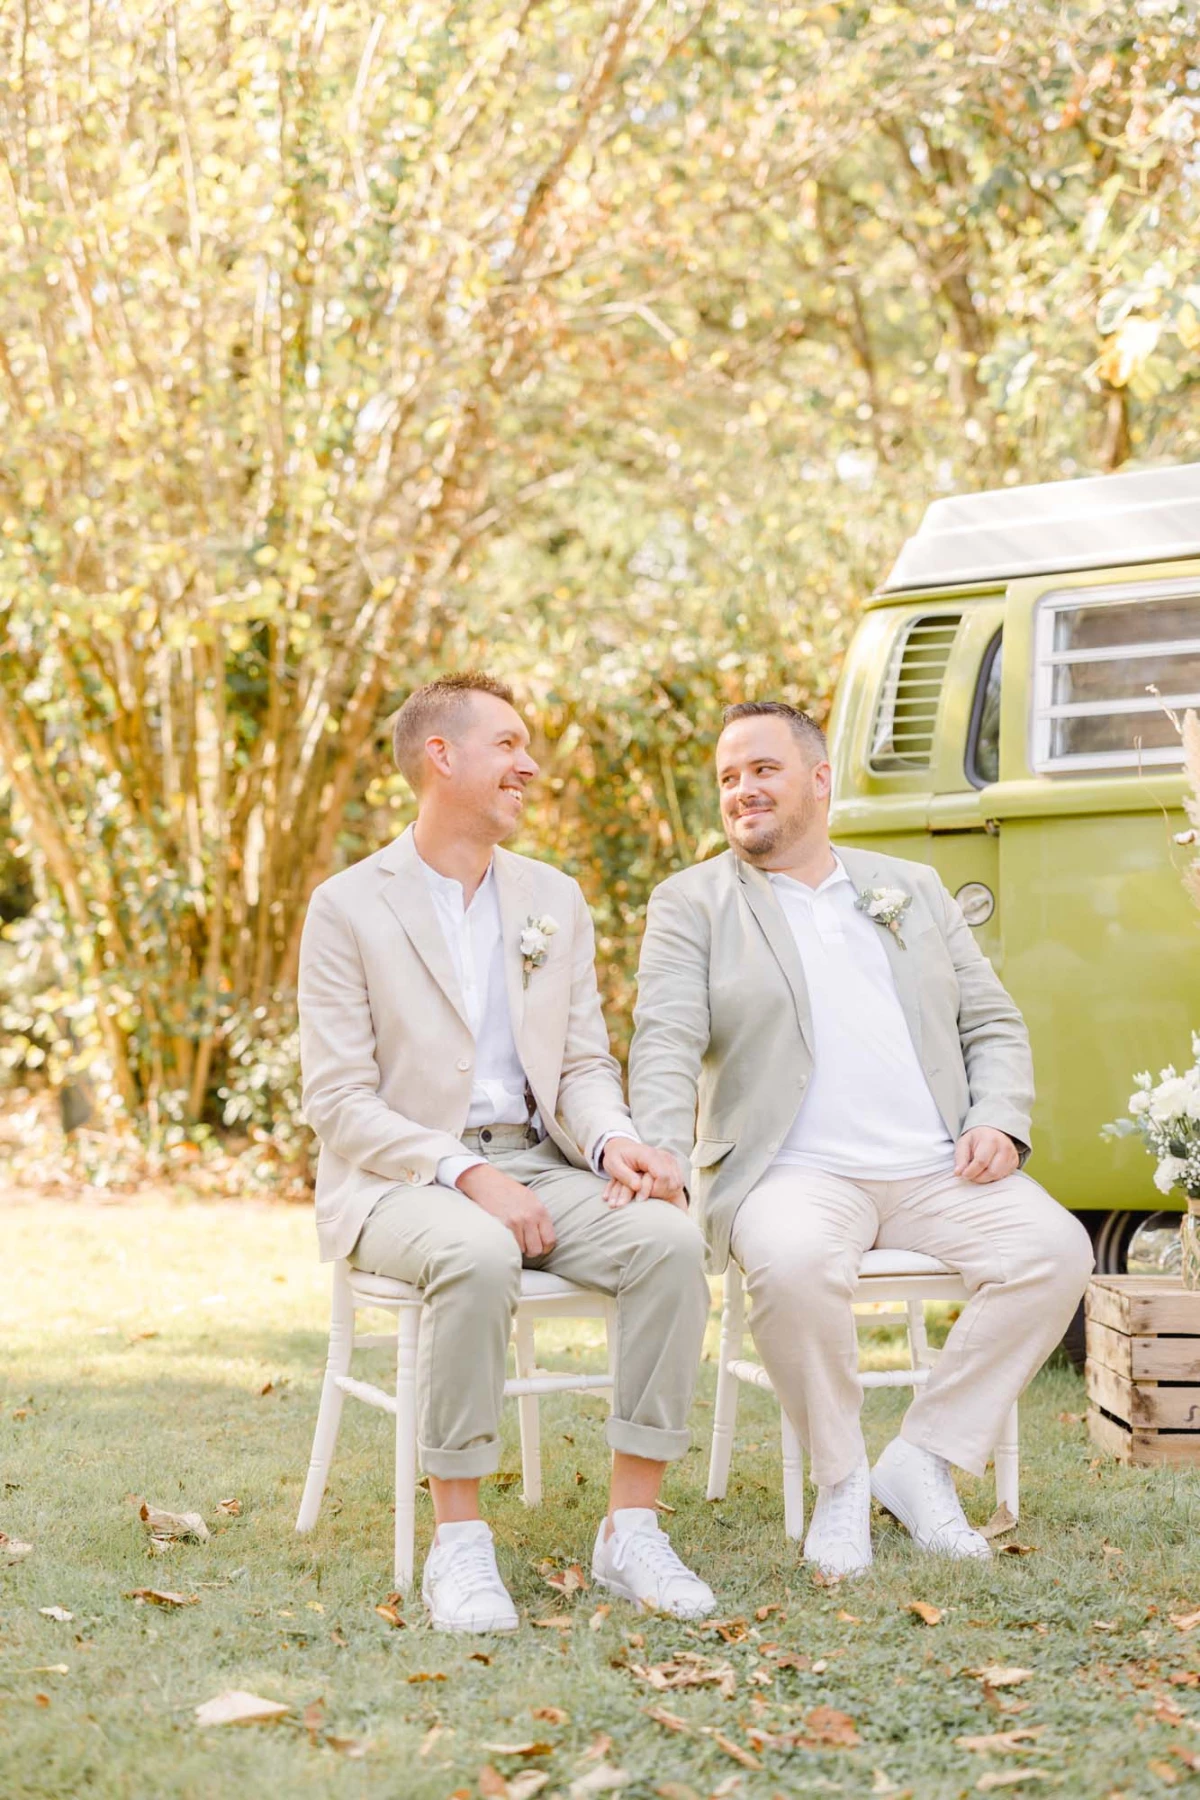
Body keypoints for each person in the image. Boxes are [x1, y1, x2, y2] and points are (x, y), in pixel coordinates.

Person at [628, 700, 1093, 1578]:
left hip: (935, 1168)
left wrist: (997, 1117)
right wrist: (658, 1145)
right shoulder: (692, 901)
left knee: (1056, 1251)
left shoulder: (907, 888)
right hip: (790, 1174)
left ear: (818, 779)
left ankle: (922, 1462)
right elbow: (665, 1038)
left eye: (762, 769)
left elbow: (991, 1021)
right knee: (795, 1267)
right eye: (728, 778)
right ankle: (842, 1484)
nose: (742, 791)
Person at [298, 673, 715, 1631]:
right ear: (440, 757)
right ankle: (460, 1547)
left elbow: (577, 1061)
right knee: (478, 1252)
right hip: (403, 1177)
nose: (529, 764)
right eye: (509, 744)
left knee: (669, 1243)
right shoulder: (348, 905)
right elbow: (338, 1101)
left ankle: (632, 1529)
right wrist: (469, 1176)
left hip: (539, 1160)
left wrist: (615, 1143)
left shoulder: (551, 898)